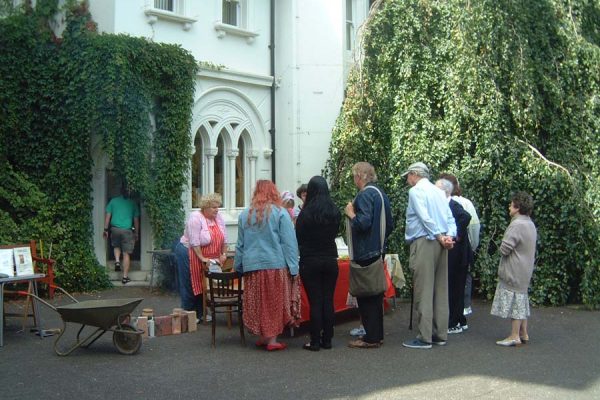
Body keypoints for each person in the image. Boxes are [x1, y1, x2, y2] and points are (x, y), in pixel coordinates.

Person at [234, 180, 300, 351]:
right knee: (274, 302)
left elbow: (240, 245)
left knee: (258, 302)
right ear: (273, 192)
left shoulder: (244, 215)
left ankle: (263, 336)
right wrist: (293, 267)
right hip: (274, 264)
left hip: (252, 266)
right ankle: (272, 341)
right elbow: (289, 243)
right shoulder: (280, 213)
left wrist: (238, 266)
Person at [401, 162, 456, 349]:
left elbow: (424, 217)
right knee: (441, 289)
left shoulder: (416, 192)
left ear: (415, 174)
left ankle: (425, 336)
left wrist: (440, 236)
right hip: (441, 243)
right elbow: (449, 218)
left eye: (408, 175)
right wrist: (448, 237)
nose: (407, 179)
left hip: (425, 241)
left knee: (423, 289)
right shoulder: (439, 192)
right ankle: (440, 333)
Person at [344, 162, 393, 349]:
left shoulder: (365, 195)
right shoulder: (381, 194)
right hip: (378, 248)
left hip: (365, 252)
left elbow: (363, 223)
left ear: (361, 176)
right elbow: (389, 224)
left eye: (354, 176)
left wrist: (350, 214)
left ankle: (370, 338)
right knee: (375, 296)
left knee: (366, 295)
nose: (354, 180)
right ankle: (376, 335)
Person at [296, 176, 342, 351]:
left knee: (315, 301)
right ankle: (327, 339)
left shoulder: (306, 214)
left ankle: (315, 340)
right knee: (328, 300)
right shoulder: (334, 211)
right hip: (330, 258)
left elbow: (298, 236)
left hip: (310, 259)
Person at [491, 191, 537, 347]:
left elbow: (505, 248)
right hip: (525, 269)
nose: (509, 207)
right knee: (521, 299)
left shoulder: (516, 224)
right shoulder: (529, 223)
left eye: (511, 204)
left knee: (516, 301)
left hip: (514, 269)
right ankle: (523, 333)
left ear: (517, 208)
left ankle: (514, 335)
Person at [174, 193, 227, 323]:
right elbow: (194, 242)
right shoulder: (195, 218)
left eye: (217, 207)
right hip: (188, 252)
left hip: (206, 256)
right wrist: (202, 257)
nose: (217, 210)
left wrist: (223, 254)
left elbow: (224, 239)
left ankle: (201, 312)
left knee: (203, 283)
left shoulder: (218, 218)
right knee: (191, 282)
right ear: (205, 208)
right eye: (214, 207)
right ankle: (189, 315)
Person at [439, 173, 481, 317]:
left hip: (453, 248)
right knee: (464, 278)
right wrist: (472, 246)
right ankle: (465, 307)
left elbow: (468, 220)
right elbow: (475, 227)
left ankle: (455, 314)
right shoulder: (467, 202)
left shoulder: (449, 203)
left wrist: (457, 236)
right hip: (464, 247)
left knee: (452, 281)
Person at [435, 179, 471, 334]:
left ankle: (454, 321)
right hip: (457, 254)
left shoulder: (453, 205)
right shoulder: (448, 205)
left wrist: (456, 236)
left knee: (454, 287)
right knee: (455, 286)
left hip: (458, 255)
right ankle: (460, 320)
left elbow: (466, 217)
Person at [103, 185, 140, 284]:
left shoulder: (113, 201)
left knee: (116, 246)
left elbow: (108, 216)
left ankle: (117, 261)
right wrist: (136, 233)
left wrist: (105, 229)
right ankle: (124, 277)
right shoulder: (133, 203)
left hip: (114, 229)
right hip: (127, 230)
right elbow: (136, 220)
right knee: (126, 253)